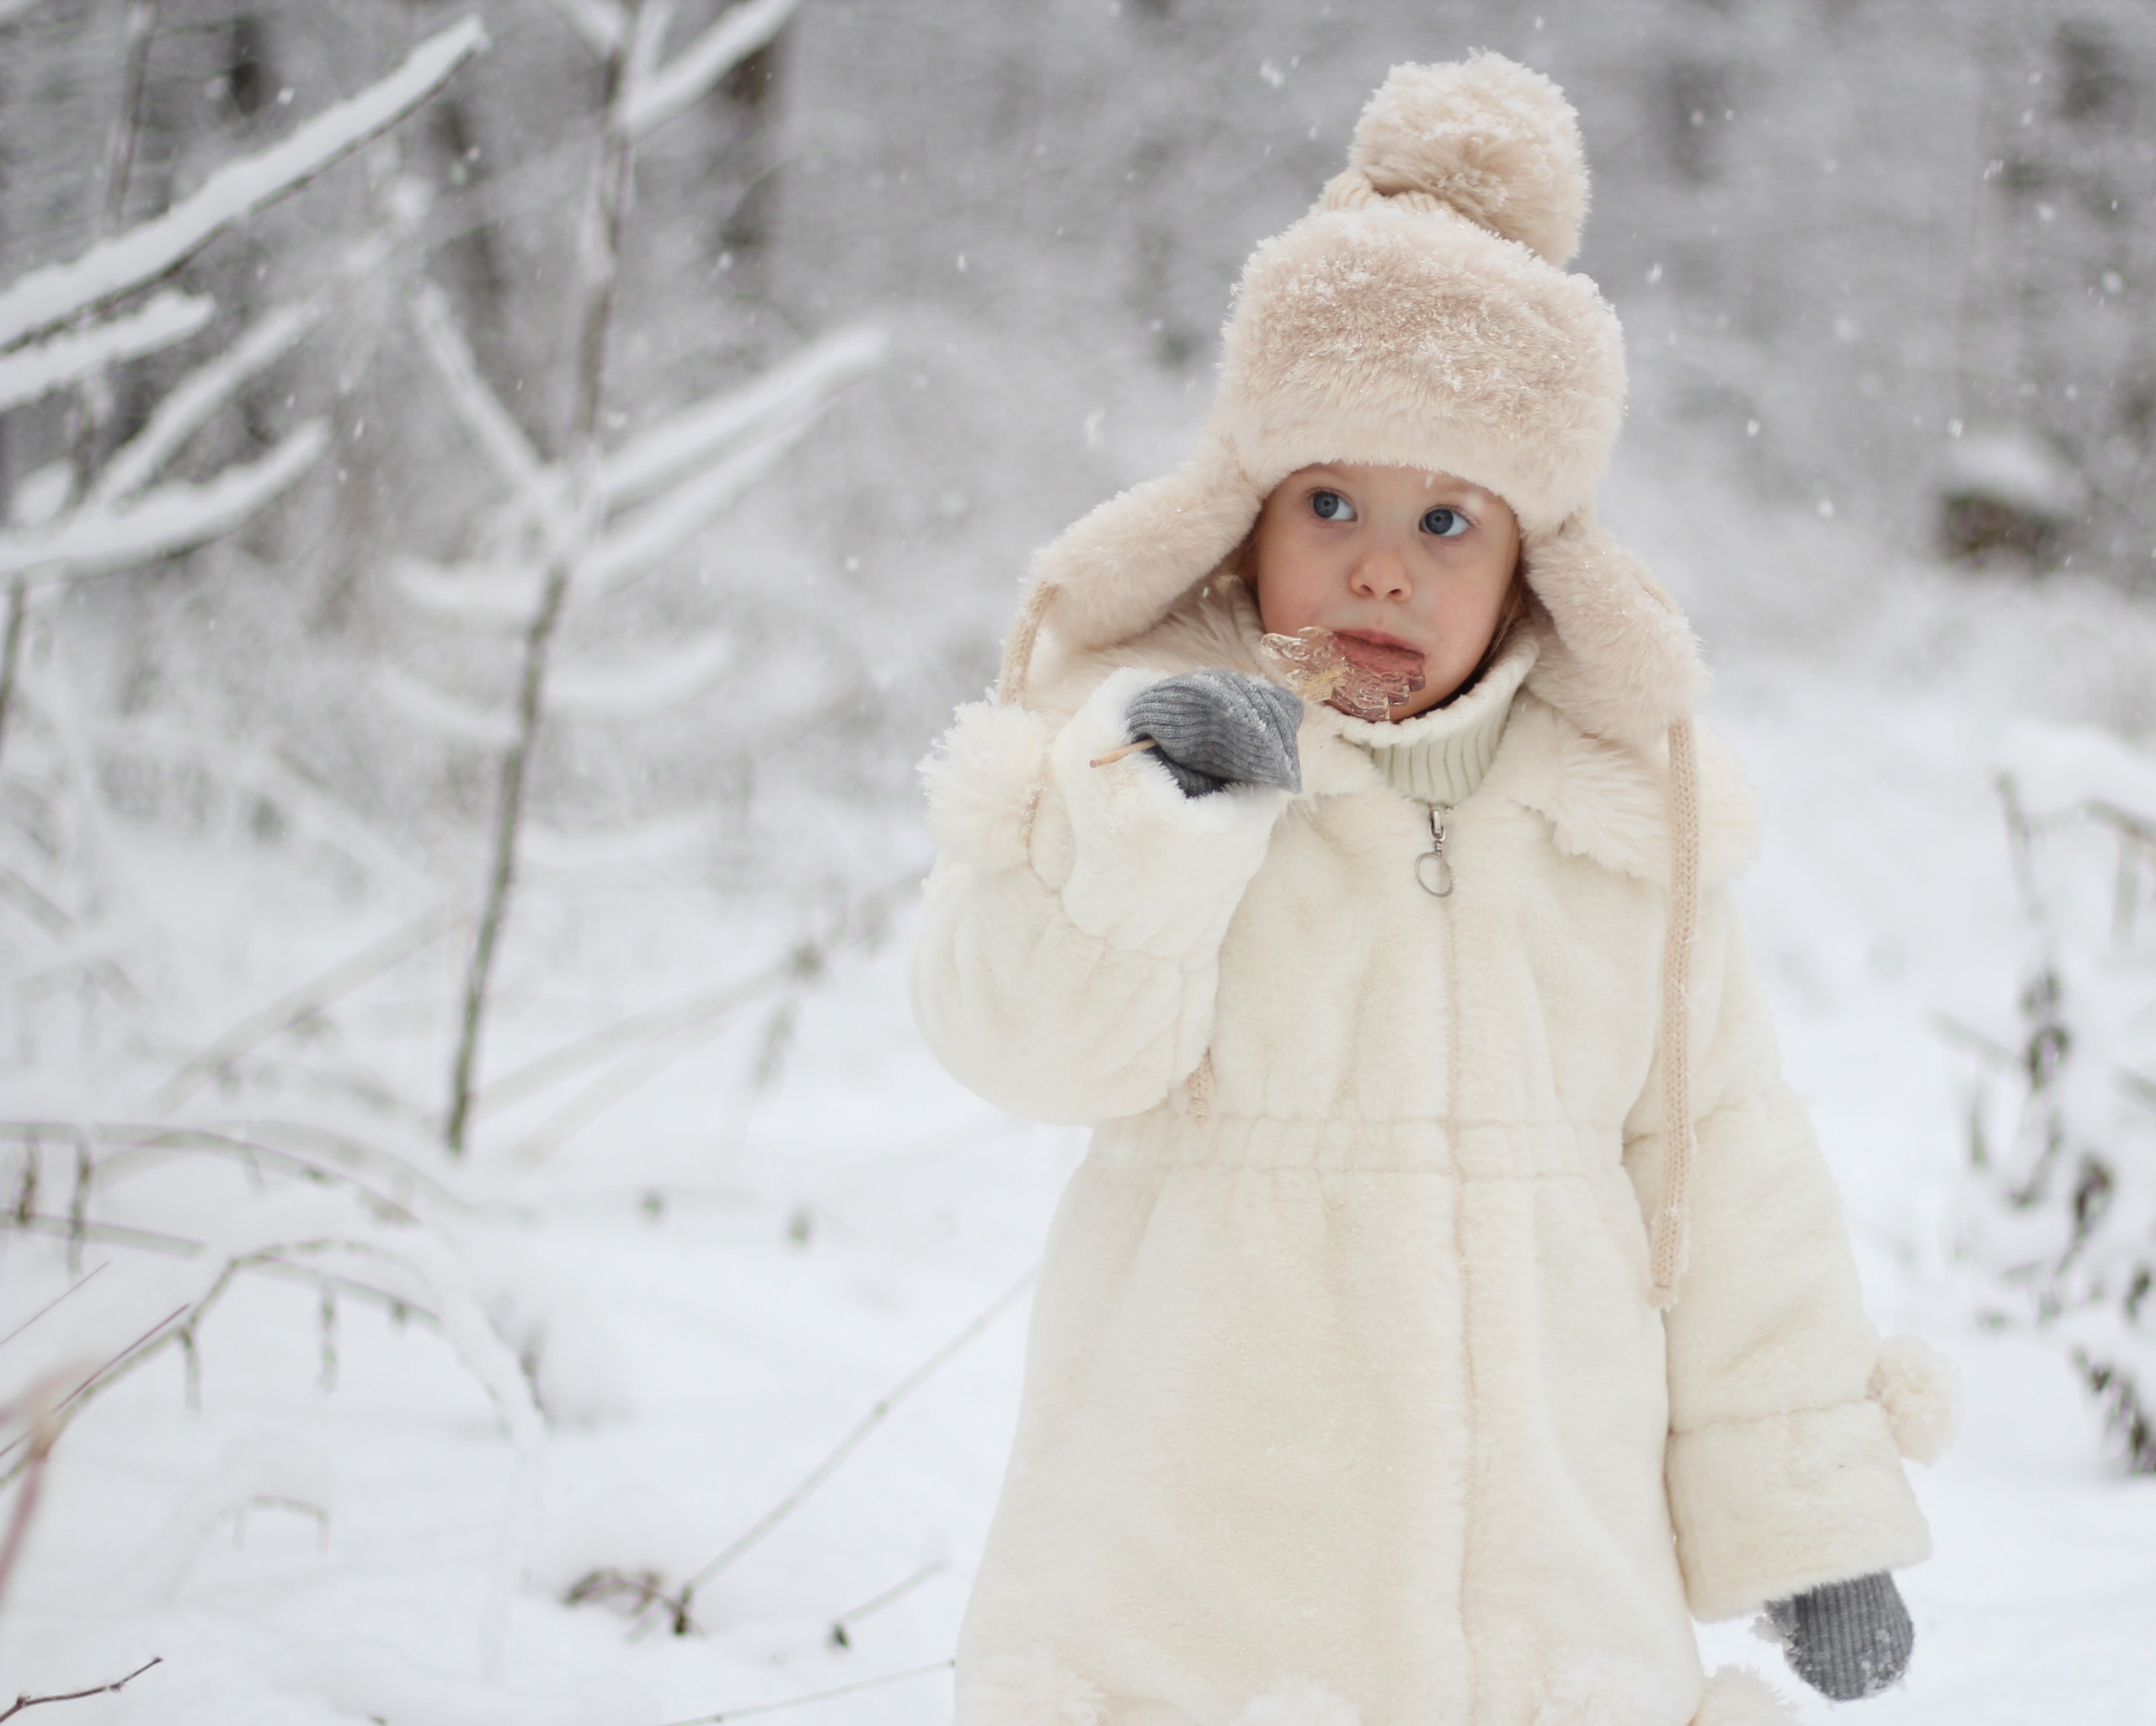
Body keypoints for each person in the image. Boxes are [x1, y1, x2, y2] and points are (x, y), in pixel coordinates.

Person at [909, 54, 1956, 1726]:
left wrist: (1804, 1505)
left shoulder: (1618, 832)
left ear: (1532, 554)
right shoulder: (1157, 766)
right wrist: (1153, 830)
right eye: (1327, 500)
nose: (1378, 563)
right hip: (1197, 1579)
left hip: (1546, 1600)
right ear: (1243, 522)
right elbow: (1027, 1044)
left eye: (1444, 518)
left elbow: (1727, 1163)